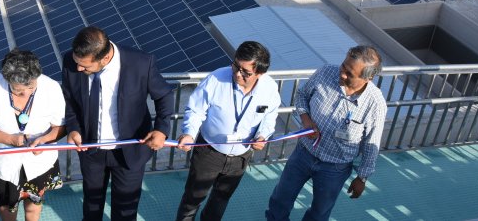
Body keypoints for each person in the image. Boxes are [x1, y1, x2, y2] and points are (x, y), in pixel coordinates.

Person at [62, 26, 174, 221]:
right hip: (91, 150)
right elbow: (70, 100)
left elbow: (164, 95)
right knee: (91, 206)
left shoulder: (141, 62)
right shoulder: (70, 60)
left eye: (85, 66)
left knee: (125, 210)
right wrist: (73, 128)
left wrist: (161, 130)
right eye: (77, 63)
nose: (79, 69)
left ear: (104, 59)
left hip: (130, 150)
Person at [266, 45, 387, 221]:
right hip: (303, 154)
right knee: (280, 200)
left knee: (319, 214)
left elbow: (371, 144)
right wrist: (306, 120)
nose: (342, 74)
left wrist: (362, 177)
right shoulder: (325, 73)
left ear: (368, 77)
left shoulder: (375, 104)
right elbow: (301, 96)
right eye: (343, 66)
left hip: (335, 169)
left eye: (350, 74)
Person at [175, 41, 280, 221]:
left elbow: (270, 116)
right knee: (193, 199)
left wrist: (263, 135)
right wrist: (189, 133)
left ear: (260, 73)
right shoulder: (216, 79)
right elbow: (195, 110)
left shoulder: (269, 88)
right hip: (208, 152)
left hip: (240, 156)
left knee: (221, 199)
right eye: (235, 66)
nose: (238, 74)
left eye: (246, 73)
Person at [0, 49, 66, 221]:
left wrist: (44, 140)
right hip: (4, 165)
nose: (26, 93)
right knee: (7, 210)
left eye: (31, 87)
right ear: (6, 79)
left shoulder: (52, 87)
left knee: (34, 208)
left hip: (39, 163)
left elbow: (60, 127)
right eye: (18, 90)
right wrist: (11, 139)